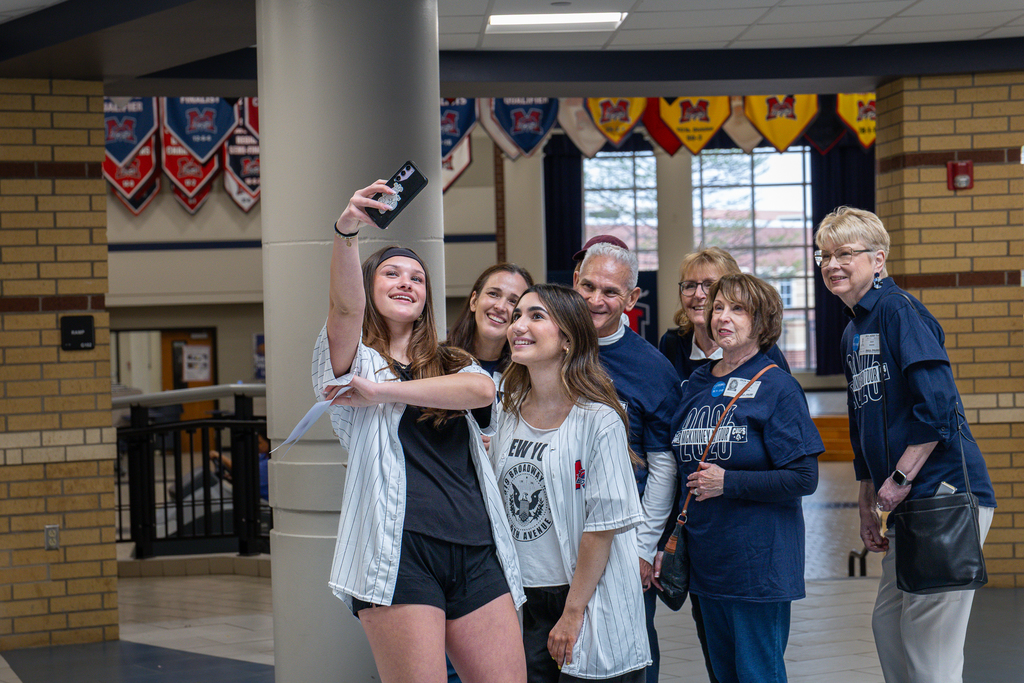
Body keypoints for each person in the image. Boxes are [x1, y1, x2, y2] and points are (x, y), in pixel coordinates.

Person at [311, 180, 526, 683]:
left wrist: (383, 393)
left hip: (476, 544)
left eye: (417, 278)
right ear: (370, 286)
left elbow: (481, 391)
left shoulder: (451, 360)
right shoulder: (354, 360)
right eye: (391, 273)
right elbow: (345, 310)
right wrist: (347, 230)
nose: (406, 282)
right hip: (399, 551)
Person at [815, 206, 996, 683]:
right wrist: (865, 500)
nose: (832, 264)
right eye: (825, 256)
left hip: (943, 497)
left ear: (878, 260)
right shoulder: (853, 331)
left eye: (845, 253)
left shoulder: (899, 310)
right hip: (906, 501)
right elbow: (862, 427)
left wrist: (898, 478)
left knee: (928, 646)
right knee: (889, 626)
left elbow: (937, 407)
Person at [493, 283, 651, 682]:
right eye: (517, 315)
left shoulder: (599, 420)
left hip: (584, 595)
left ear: (568, 339)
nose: (518, 325)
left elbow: (602, 527)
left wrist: (572, 611)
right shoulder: (507, 412)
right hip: (525, 595)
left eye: (536, 316)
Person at [672, 273, 822, 683]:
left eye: (738, 309)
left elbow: (804, 477)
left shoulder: (778, 386)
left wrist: (729, 482)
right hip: (708, 563)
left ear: (761, 321)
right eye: (718, 307)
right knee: (723, 675)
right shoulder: (698, 382)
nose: (723, 317)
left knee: (757, 675)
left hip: (758, 565)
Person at [657, 246, 791, 683]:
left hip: (751, 542)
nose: (702, 297)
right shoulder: (680, 357)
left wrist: (730, 482)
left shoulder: (769, 371)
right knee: (722, 665)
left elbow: (797, 470)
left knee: (755, 666)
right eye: (691, 286)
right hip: (703, 537)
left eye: (713, 289)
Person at [573, 241, 680, 683]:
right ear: (574, 283)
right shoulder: (548, 345)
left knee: (630, 649)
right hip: (559, 530)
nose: (596, 300)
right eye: (588, 286)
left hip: (622, 535)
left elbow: (663, 467)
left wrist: (643, 547)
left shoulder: (652, 368)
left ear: (632, 298)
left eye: (611, 292)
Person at [659, 246, 790, 383]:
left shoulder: (759, 347)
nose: (698, 294)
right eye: (690, 285)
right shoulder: (671, 344)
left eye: (710, 285)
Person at [446, 263, 534, 380]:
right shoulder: (436, 360)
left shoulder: (529, 376)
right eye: (493, 294)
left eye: (513, 301)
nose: (500, 307)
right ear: (474, 301)